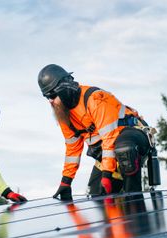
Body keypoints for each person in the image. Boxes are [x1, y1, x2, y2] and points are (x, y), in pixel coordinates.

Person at [38, 64, 155, 200]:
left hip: (133, 137)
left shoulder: (94, 99)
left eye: (52, 95)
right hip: (110, 154)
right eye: (47, 97)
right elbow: (72, 149)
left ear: (64, 88)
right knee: (97, 197)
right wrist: (66, 182)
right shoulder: (64, 114)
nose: (51, 101)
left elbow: (110, 137)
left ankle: (134, 204)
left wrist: (106, 174)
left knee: (125, 150)